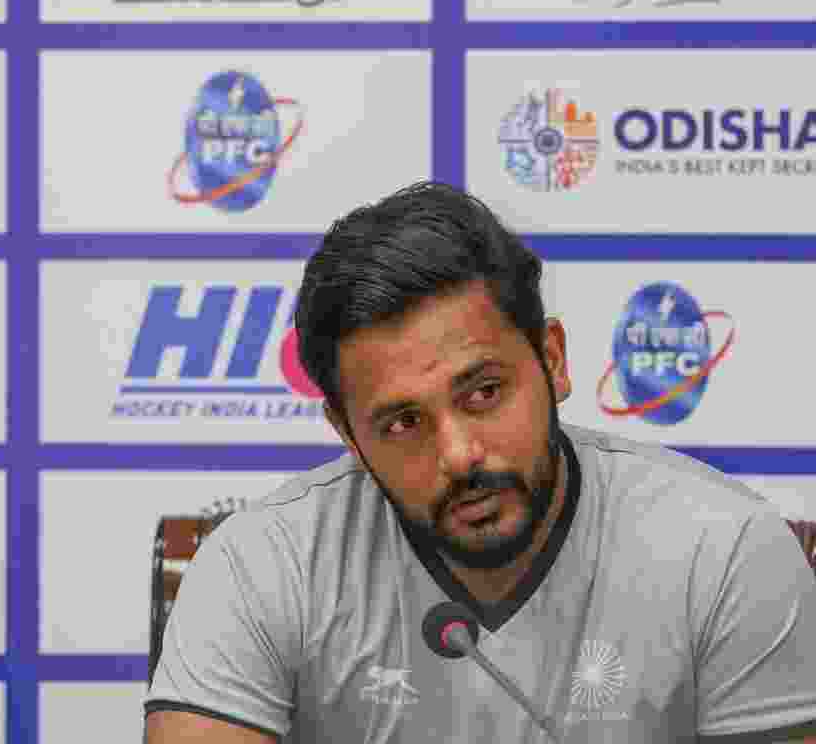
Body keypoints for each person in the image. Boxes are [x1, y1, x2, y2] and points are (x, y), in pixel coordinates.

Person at [144, 181, 816, 743]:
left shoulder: (724, 553)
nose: (460, 454)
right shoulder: (261, 564)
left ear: (552, 360)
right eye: (404, 422)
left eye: (484, 393)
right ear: (347, 433)